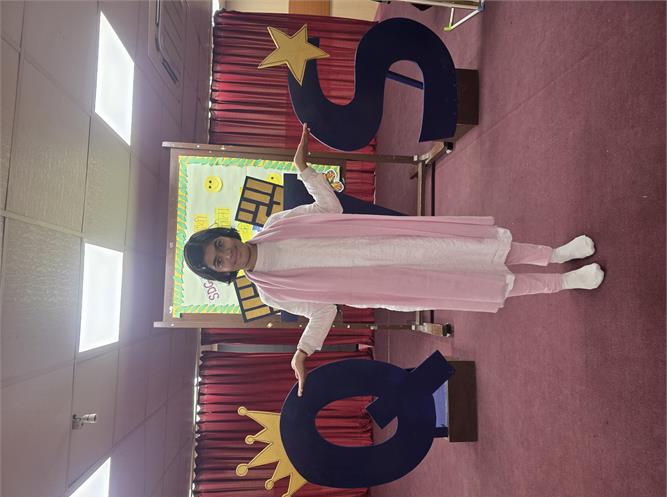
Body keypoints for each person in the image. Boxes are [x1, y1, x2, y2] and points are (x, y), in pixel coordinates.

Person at [184, 123, 604, 396]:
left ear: (225, 235)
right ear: (223, 274)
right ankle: (564, 282)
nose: (226, 254)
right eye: (218, 262)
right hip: (388, 285)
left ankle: (556, 254)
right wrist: (303, 351)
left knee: (475, 249)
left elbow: (330, 209)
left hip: (389, 243)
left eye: (219, 245)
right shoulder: (271, 293)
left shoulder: (276, 224)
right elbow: (323, 311)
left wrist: (306, 171)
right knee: (476, 284)